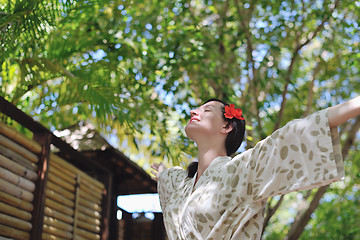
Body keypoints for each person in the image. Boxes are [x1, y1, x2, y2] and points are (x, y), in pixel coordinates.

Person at [151, 96, 360, 240]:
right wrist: (162, 173)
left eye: (206, 110)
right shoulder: (180, 184)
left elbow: (291, 135)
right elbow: (169, 178)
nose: (193, 111)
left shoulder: (241, 171)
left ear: (226, 126)